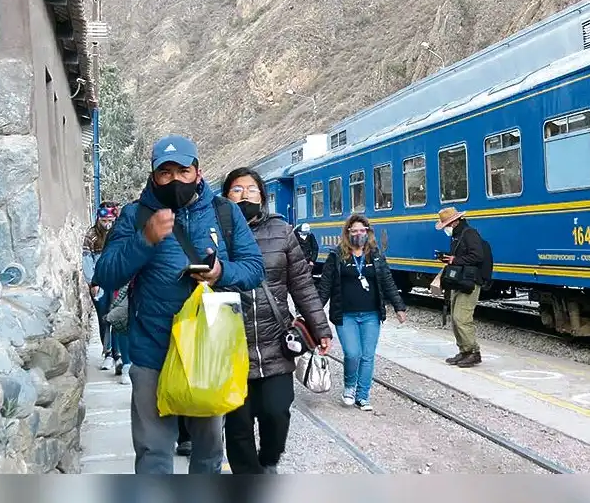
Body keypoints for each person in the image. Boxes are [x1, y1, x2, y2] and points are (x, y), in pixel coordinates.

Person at [92, 134, 266, 474]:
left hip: (207, 353)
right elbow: (106, 274)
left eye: (183, 171)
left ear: (198, 173)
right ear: (153, 176)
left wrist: (221, 271)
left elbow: (254, 268)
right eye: (165, 173)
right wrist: (146, 240)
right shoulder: (135, 215)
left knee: (208, 454)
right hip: (152, 352)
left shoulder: (224, 213)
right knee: (153, 454)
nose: (175, 180)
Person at [220, 167, 333, 474]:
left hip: (276, 341)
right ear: (225, 196)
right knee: (238, 422)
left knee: (277, 411)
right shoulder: (216, 232)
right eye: (237, 190)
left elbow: (303, 285)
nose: (245, 195)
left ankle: (269, 460)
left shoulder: (282, 232)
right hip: (231, 344)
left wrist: (320, 327)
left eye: (252, 189)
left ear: (263, 196)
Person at [317, 214, 407, 411]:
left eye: (362, 230)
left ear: (368, 232)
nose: (359, 234)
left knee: (367, 356)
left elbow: (387, 281)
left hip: (371, 315)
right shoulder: (336, 256)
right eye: (354, 231)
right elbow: (325, 286)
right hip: (345, 315)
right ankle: (349, 387)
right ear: (348, 233)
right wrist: (312, 313)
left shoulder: (375, 255)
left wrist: (399, 306)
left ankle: (363, 396)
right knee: (352, 353)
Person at [82, 202, 130, 376]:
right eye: (104, 215)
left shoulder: (120, 233)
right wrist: (93, 282)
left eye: (111, 215)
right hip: (100, 283)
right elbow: (87, 261)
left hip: (118, 281)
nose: (107, 219)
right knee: (104, 318)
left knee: (117, 316)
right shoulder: (91, 236)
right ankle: (108, 352)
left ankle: (118, 354)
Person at [436, 207, 487, 368]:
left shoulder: (469, 234)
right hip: (460, 282)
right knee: (456, 318)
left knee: (461, 318)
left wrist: (454, 260)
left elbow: (478, 256)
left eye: (447, 225)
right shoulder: (458, 236)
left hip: (470, 282)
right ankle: (464, 351)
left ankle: (473, 352)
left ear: (455, 222)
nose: (446, 229)